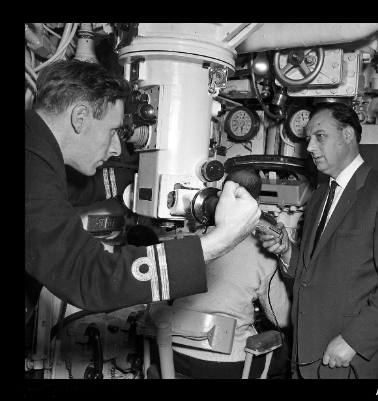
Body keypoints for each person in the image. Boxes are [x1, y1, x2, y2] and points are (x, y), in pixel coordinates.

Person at [25, 60, 260, 321]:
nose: (116, 147)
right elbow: (89, 276)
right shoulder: (32, 169)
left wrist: (141, 177)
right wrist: (220, 241)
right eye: (113, 131)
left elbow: (74, 190)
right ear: (80, 117)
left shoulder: (36, 152)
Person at [259, 102, 378, 379]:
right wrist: (287, 251)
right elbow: (312, 272)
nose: (309, 147)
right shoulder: (321, 195)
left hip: (348, 360)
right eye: (308, 138)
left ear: (348, 135)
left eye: (319, 136)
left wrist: (352, 341)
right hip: (306, 354)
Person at [171, 169, 291, 379]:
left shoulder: (189, 241)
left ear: (220, 198)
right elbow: (281, 319)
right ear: (256, 203)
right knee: (285, 353)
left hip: (174, 357)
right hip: (227, 366)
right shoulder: (262, 253)